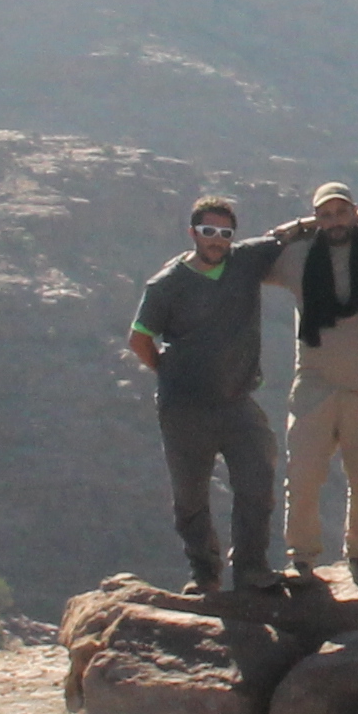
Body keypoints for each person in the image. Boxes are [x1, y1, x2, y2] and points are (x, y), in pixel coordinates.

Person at [124, 194, 288, 594]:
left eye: (224, 233)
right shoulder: (167, 284)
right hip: (185, 410)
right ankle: (204, 575)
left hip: (237, 402)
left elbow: (289, 235)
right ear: (193, 233)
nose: (217, 240)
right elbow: (139, 338)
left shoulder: (245, 262)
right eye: (209, 231)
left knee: (257, 484)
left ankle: (250, 569)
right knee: (191, 496)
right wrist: (168, 370)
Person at [278, 181, 358, 588]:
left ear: (355, 213)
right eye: (324, 214)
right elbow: (257, 250)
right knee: (303, 475)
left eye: (341, 212)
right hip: (315, 386)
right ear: (316, 219)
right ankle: (302, 557)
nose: (333, 222)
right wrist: (297, 225)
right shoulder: (296, 256)